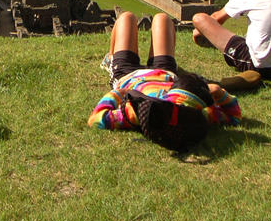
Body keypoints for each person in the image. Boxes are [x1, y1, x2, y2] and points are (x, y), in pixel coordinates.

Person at [90, 11, 241, 151]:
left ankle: (110, 58)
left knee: (126, 18)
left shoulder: (140, 111)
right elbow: (233, 116)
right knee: (163, 18)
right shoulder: (194, 114)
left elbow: (97, 119)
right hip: (165, 73)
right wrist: (219, 93)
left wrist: (118, 93)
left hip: (128, 76)